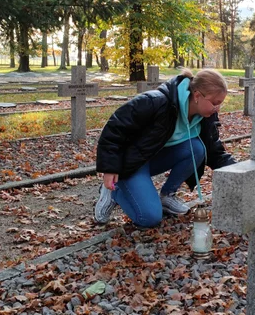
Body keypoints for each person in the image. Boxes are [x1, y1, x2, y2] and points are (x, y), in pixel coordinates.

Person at [94, 68, 235, 227]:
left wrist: (240, 170)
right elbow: (115, 128)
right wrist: (110, 168)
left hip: (151, 157)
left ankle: (167, 196)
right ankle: (113, 192)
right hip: (131, 163)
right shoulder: (156, 102)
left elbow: (214, 151)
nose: (218, 109)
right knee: (149, 218)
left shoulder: (205, 116)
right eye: (215, 103)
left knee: (197, 148)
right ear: (197, 96)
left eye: (220, 104)